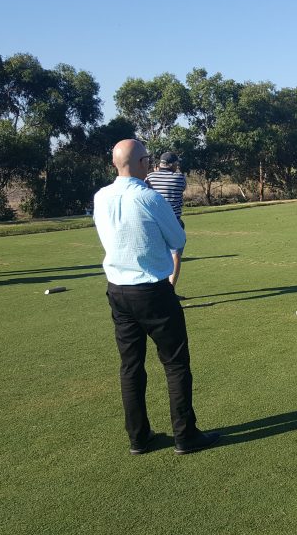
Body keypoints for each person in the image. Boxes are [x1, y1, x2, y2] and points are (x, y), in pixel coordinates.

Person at [93, 139, 220, 456]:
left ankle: (139, 437)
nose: (149, 163)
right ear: (139, 163)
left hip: (117, 290)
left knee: (131, 366)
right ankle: (185, 435)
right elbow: (177, 239)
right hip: (152, 290)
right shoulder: (150, 198)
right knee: (176, 365)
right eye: (146, 159)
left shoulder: (101, 196)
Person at [145, 151, 188, 291]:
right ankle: (170, 291)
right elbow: (182, 188)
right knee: (175, 255)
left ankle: (158, 290)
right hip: (173, 222)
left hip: (153, 224)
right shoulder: (179, 178)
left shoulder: (150, 177)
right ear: (173, 164)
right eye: (177, 163)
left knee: (156, 256)